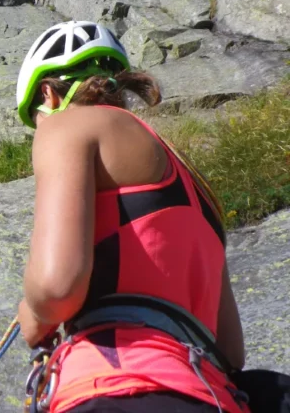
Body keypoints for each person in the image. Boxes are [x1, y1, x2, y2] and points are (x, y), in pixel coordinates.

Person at [14, 20, 249, 413]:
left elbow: (57, 288)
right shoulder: (194, 182)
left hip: (115, 387)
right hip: (210, 396)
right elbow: (230, 350)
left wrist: (34, 314)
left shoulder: (66, 126)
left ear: (47, 95)